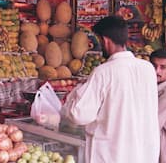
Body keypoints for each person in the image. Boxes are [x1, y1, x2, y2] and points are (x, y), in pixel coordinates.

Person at [62, 15, 160, 163]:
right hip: (143, 154)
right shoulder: (147, 69)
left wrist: (76, 93)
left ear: (105, 40)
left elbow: (79, 115)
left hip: (112, 155)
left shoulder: (103, 72)